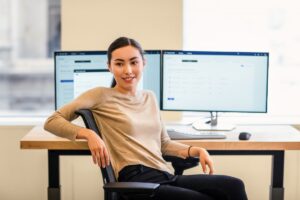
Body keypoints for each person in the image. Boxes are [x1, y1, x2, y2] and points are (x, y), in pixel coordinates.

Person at [44, 36, 248, 200]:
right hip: (137, 179)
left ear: (143, 63)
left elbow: (164, 143)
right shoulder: (100, 95)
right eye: (119, 63)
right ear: (109, 66)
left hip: (164, 175)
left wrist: (195, 150)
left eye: (134, 62)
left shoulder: (149, 97)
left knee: (233, 186)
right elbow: (52, 121)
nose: (128, 70)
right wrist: (88, 134)